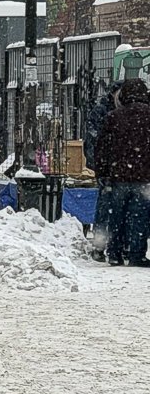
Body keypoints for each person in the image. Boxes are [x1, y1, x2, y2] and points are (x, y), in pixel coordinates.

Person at [94, 79, 150, 267]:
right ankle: (136, 253)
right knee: (140, 217)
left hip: (118, 176)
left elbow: (102, 147)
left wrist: (102, 172)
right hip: (144, 176)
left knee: (116, 216)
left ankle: (114, 253)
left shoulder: (113, 117)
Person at [85, 81, 124, 262]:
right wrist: (99, 168)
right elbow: (93, 141)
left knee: (110, 209)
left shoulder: (116, 112)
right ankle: (100, 246)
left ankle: (110, 246)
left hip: (116, 168)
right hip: (108, 169)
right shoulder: (102, 112)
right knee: (105, 209)